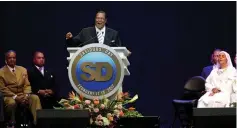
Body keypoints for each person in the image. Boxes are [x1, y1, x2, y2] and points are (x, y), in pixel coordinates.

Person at [0, 50, 41, 126]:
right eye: (10, 58)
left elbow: (27, 85)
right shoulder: (1, 72)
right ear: (6, 60)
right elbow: (2, 89)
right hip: (10, 96)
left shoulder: (22, 69)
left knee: (35, 98)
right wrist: (15, 97)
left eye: (14, 58)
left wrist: (26, 95)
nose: (12, 59)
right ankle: (11, 123)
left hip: (23, 95)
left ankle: (37, 122)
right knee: (11, 103)